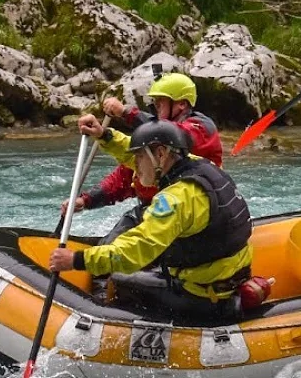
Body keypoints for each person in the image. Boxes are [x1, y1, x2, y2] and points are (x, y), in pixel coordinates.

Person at [49, 115, 263, 321]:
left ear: (160, 154)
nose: (135, 164)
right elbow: (135, 153)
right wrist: (105, 135)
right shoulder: (203, 167)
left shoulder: (175, 200)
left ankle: (108, 323)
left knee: (119, 279)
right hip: (228, 279)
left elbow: (134, 251)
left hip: (201, 298)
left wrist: (76, 260)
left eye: (139, 157)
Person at [70, 72, 223, 244]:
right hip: (156, 210)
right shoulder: (153, 146)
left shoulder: (201, 128)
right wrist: (86, 199)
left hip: (191, 215)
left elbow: (171, 134)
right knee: (109, 244)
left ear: (181, 104)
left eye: (161, 101)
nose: (155, 106)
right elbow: (124, 177)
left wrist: (126, 113)